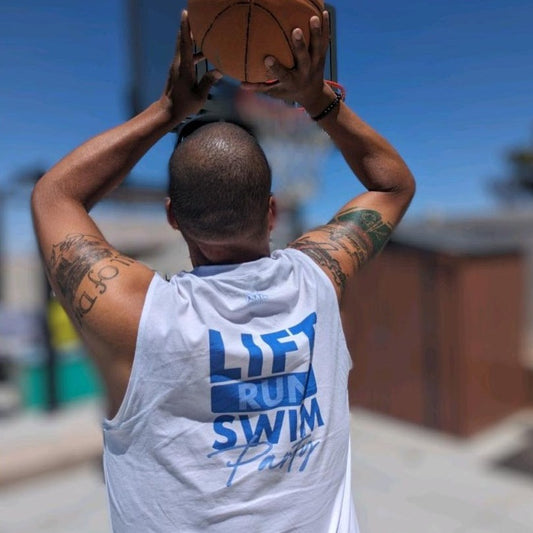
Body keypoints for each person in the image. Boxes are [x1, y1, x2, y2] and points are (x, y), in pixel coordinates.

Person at [31, 10, 414, 533]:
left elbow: (54, 196)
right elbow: (392, 184)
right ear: (272, 211)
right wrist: (316, 98)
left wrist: (168, 110)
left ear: (173, 217)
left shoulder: (137, 316)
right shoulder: (318, 279)